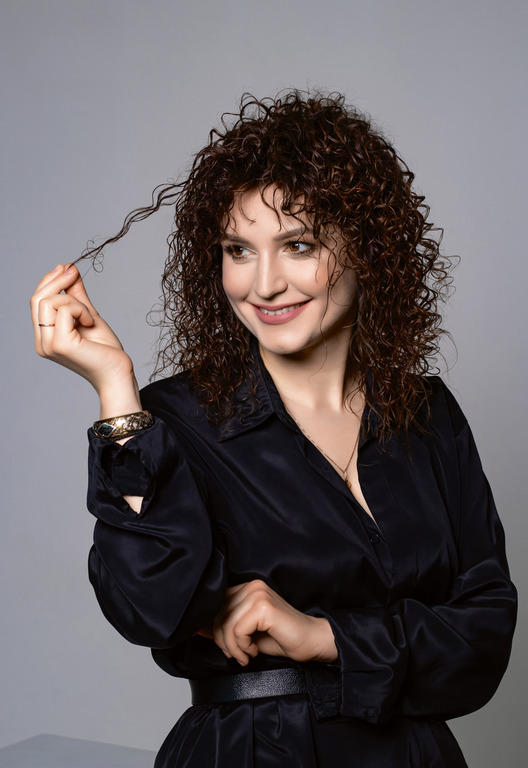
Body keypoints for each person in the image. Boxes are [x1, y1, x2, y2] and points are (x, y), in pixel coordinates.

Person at [30, 91, 516, 767]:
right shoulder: (175, 419)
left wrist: (321, 636)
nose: (263, 284)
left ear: (368, 249)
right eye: (239, 249)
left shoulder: (428, 413)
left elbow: (485, 635)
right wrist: (116, 391)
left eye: (298, 245)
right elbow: (151, 606)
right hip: (252, 753)